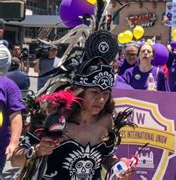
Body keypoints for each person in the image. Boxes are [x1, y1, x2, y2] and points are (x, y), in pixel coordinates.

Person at [11, 57, 135, 180]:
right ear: (80, 92)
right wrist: (36, 150)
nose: (101, 99)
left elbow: (107, 157)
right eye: (94, 92)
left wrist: (120, 167)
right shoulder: (53, 118)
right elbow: (15, 159)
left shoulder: (107, 121)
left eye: (105, 93)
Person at [0, 45, 24, 178]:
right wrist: (14, 142)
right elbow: (16, 115)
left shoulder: (8, 85)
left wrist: (14, 142)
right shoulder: (9, 85)